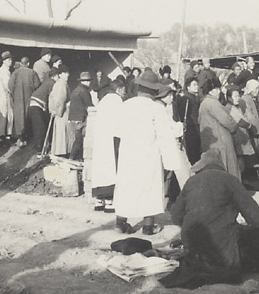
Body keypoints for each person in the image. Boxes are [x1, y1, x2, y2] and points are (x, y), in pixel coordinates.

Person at [160, 149, 259, 289]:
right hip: (224, 263)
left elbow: (175, 216)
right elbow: (253, 215)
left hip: (193, 255)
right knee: (250, 238)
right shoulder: (230, 180)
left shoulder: (191, 182)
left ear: (202, 167)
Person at [113, 69, 181, 235]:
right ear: (154, 90)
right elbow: (165, 136)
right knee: (149, 187)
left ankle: (120, 223)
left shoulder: (126, 105)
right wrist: (172, 161)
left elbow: (117, 132)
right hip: (148, 155)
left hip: (128, 154)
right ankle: (148, 226)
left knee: (126, 186)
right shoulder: (157, 109)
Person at [91, 78, 126, 212]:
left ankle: (99, 200)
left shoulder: (103, 101)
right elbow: (121, 122)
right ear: (119, 90)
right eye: (124, 90)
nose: (124, 93)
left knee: (100, 168)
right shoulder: (117, 101)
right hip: (113, 139)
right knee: (111, 168)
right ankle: (110, 201)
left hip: (100, 140)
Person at [198, 77, 240, 179]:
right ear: (210, 91)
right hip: (221, 139)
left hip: (210, 140)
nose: (218, 91)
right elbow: (226, 120)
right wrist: (234, 127)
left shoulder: (204, 102)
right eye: (215, 89)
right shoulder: (213, 103)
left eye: (218, 88)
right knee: (228, 167)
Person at [224, 85, 258, 183]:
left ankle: (244, 181)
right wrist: (251, 126)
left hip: (242, 136)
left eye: (238, 96)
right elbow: (241, 121)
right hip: (237, 137)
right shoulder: (229, 108)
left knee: (243, 160)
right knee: (240, 162)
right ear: (229, 98)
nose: (238, 98)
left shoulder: (236, 107)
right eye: (235, 96)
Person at [9, 55, 40, 147]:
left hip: (18, 99)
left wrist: (15, 94)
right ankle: (27, 136)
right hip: (29, 98)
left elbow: (10, 85)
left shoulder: (15, 72)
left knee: (19, 117)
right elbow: (37, 85)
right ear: (28, 63)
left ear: (21, 63)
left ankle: (20, 138)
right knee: (27, 116)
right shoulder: (32, 72)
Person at [28, 68, 58, 151]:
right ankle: (39, 150)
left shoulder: (47, 82)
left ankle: (43, 146)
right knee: (40, 128)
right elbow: (52, 98)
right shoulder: (52, 83)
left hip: (35, 104)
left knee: (41, 127)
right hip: (37, 105)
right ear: (55, 76)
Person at [68, 71, 93, 160]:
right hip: (81, 120)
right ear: (85, 81)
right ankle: (73, 158)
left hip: (74, 119)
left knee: (78, 140)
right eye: (88, 81)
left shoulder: (76, 90)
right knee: (80, 141)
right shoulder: (84, 91)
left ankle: (75, 158)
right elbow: (89, 106)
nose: (89, 82)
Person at [49, 65, 71, 156]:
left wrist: (53, 110)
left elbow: (51, 97)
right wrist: (59, 111)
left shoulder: (58, 84)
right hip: (63, 113)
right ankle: (63, 152)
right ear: (60, 75)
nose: (67, 75)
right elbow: (60, 99)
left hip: (59, 111)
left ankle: (61, 151)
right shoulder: (61, 84)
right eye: (64, 73)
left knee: (61, 133)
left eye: (67, 73)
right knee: (63, 133)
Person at [179, 77, 201, 165]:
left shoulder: (194, 97)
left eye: (197, 85)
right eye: (194, 85)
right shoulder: (186, 98)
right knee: (193, 153)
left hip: (196, 126)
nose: (197, 87)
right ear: (188, 87)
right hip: (191, 128)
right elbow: (183, 114)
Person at [0, 50, 14, 143]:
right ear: (3, 61)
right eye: (8, 60)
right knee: (3, 116)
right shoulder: (3, 71)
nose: (10, 61)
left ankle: (5, 135)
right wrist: (13, 92)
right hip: (3, 97)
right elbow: (8, 85)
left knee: (6, 115)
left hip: (4, 96)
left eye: (11, 59)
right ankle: (1, 137)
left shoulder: (6, 70)